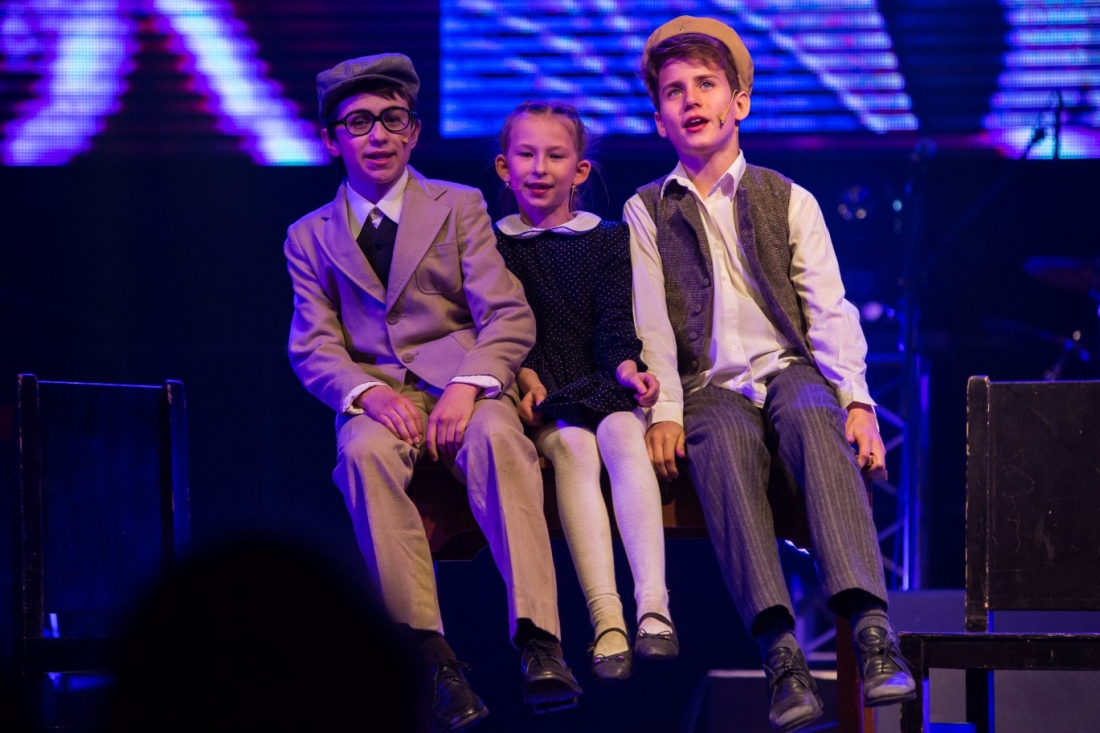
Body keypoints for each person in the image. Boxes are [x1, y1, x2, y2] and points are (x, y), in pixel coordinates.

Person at [623, 16, 917, 733]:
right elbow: (651, 326)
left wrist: (858, 401)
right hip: (708, 383)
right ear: (659, 119)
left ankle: (872, 630)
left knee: (813, 412)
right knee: (722, 439)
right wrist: (665, 412)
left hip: (788, 367)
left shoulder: (788, 197)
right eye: (673, 91)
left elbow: (829, 310)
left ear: (740, 102)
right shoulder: (645, 210)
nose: (691, 100)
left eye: (706, 85)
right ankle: (780, 651)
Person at [284, 53, 582, 732]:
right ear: (332, 139)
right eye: (360, 122)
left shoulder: (458, 204)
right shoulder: (308, 236)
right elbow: (313, 345)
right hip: (381, 399)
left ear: (414, 132)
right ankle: (431, 657)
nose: (379, 135)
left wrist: (467, 386)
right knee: (361, 454)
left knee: (502, 438)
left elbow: (506, 314)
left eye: (394, 119)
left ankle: (540, 641)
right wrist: (365, 392)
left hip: (463, 387)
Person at [492, 100, 678, 683]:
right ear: (504, 168)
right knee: (574, 447)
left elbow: (615, 326)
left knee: (622, 433)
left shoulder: (606, 239)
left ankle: (654, 608)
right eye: (526, 155)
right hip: (542, 391)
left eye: (555, 156)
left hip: (600, 379)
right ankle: (607, 620)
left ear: (579, 170)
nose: (539, 168)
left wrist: (628, 372)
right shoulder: (491, 245)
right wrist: (524, 379)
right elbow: (498, 329)